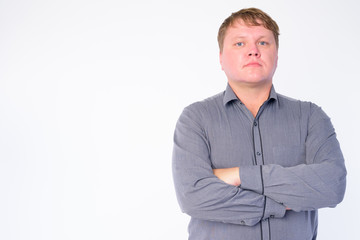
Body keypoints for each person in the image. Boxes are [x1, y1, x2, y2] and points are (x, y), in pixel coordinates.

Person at [172, 7, 346, 240]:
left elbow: (332, 185)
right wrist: (277, 204)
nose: (253, 51)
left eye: (263, 43)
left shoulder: (310, 116)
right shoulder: (195, 119)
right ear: (221, 58)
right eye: (240, 44)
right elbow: (192, 195)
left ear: (276, 55)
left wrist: (239, 176)